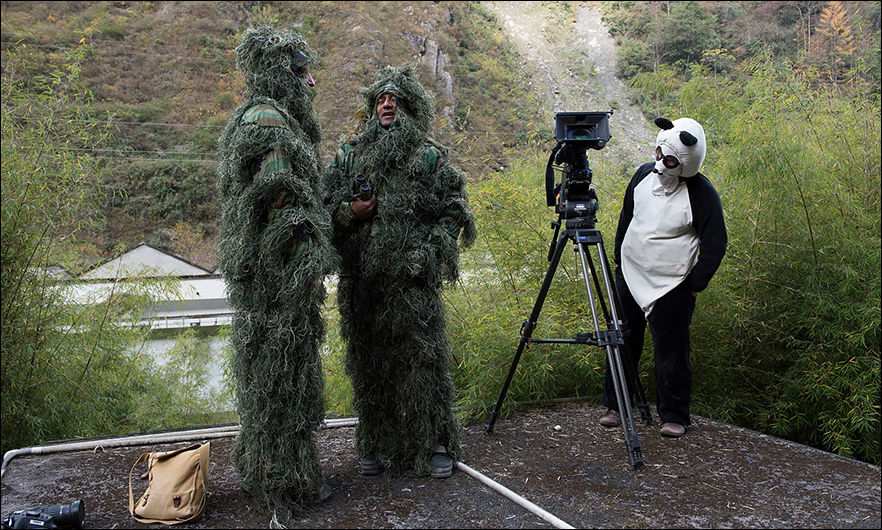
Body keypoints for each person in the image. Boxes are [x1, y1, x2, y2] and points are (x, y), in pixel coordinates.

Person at [322, 62, 477, 478]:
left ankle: (434, 443)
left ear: (410, 108)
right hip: (363, 283)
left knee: (421, 362)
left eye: (395, 99)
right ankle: (378, 441)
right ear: (373, 108)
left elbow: (454, 209)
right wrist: (350, 212)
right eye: (380, 99)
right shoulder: (350, 153)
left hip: (412, 283)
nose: (387, 104)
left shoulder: (428, 156)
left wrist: (428, 251)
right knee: (370, 364)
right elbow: (324, 209)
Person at [215, 26, 334, 522]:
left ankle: (266, 475)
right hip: (278, 280)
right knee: (282, 381)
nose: (312, 83)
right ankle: (287, 486)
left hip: (262, 279)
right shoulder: (269, 118)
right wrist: (308, 259)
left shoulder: (257, 116)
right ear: (285, 72)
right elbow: (280, 196)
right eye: (304, 72)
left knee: (265, 380)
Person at [600, 117, 727, 438]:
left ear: (687, 161)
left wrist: (694, 284)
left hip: (672, 284)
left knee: (671, 350)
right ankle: (617, 405)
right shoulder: (643, 174)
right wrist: (618, 261)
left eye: (669, 160)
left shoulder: (702, 194)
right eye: (659, 154)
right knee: (622, 341)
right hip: (630, 274)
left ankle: (674, 415)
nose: (661, 164)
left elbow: (715, 243)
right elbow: (627, 218)